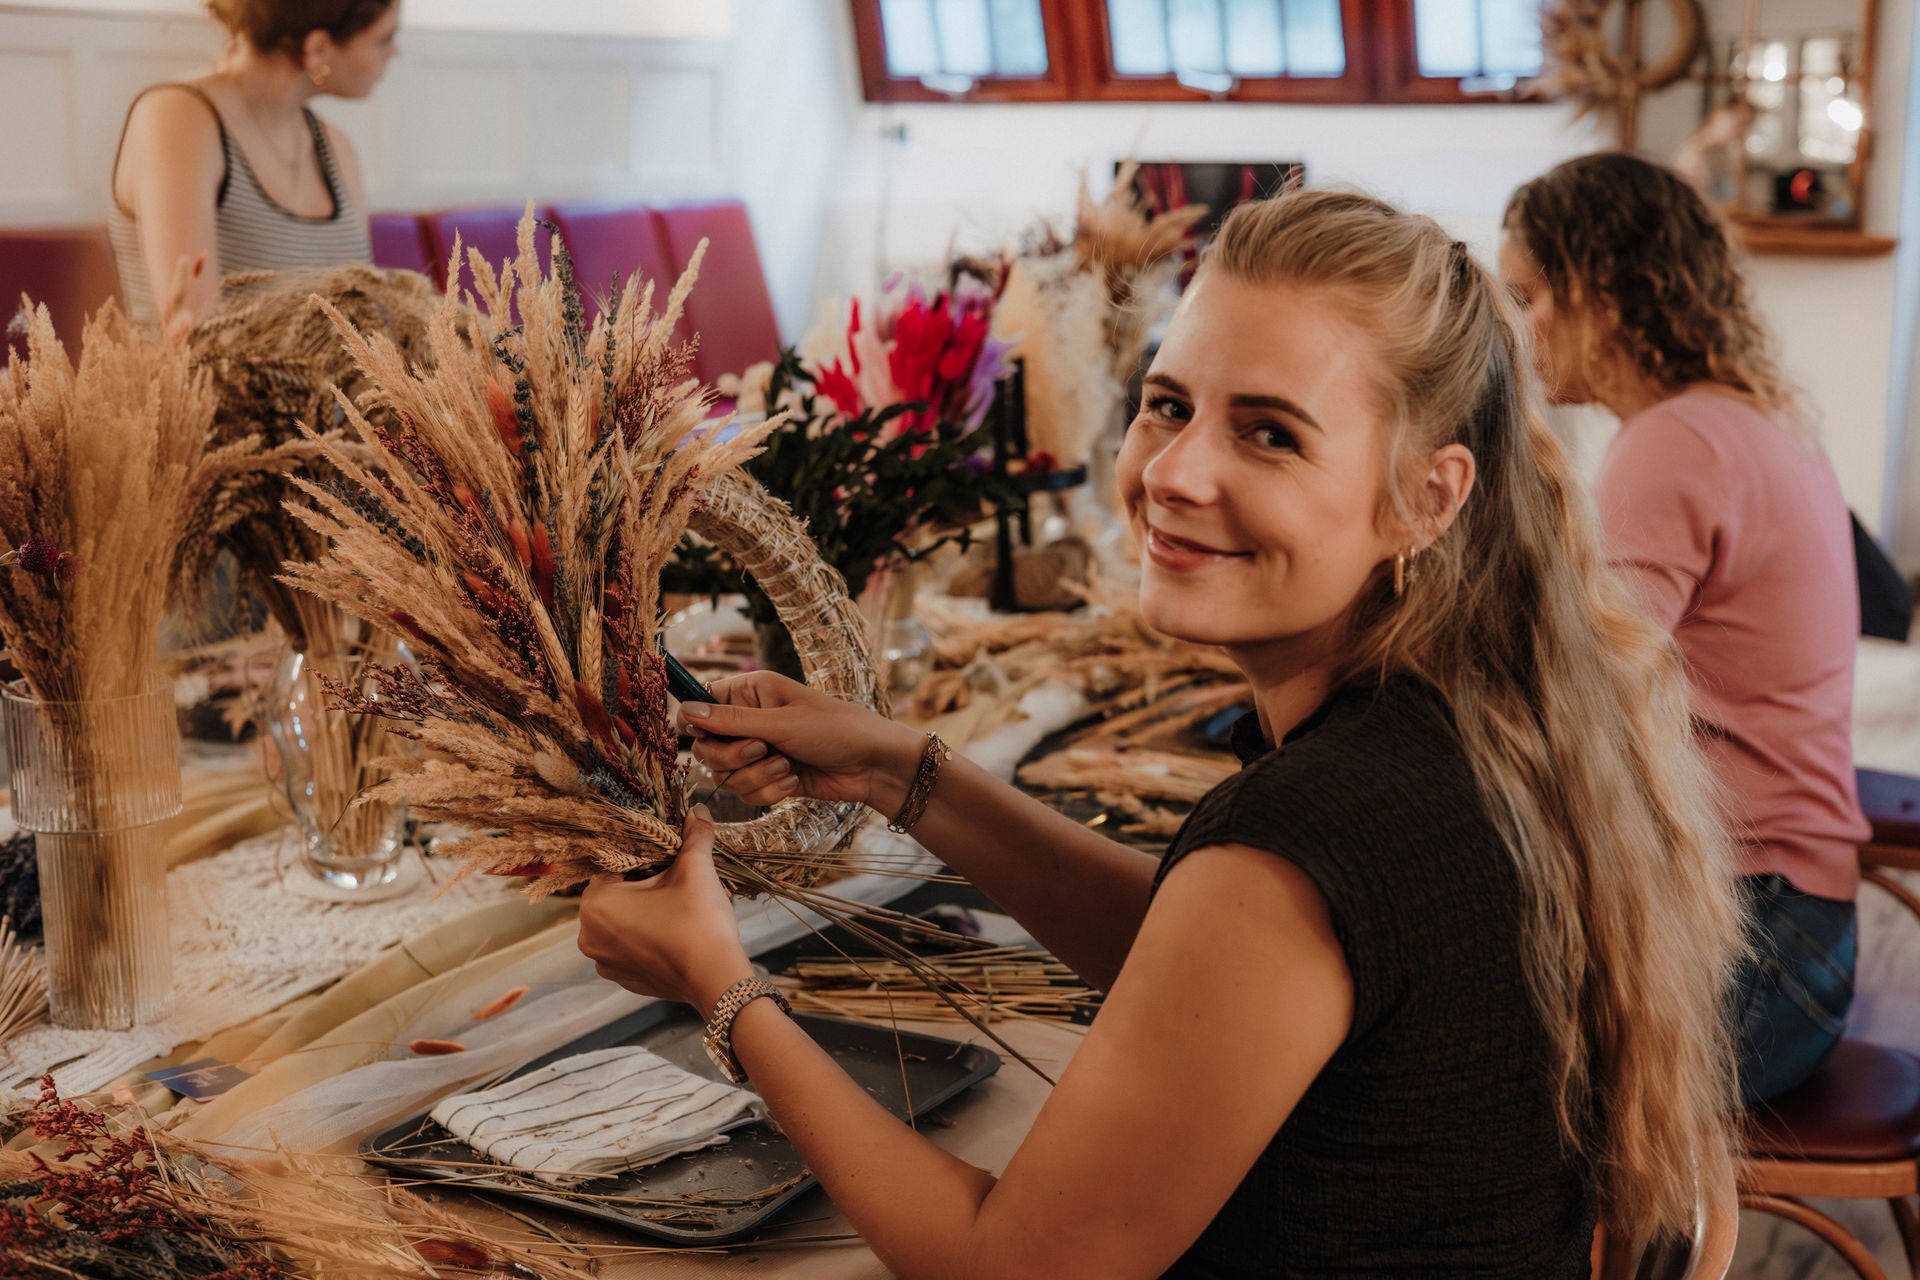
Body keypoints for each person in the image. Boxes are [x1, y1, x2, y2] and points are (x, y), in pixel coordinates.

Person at [579, 189, 1745, 1277]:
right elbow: (1202, 963)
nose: (1176, 474)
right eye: (1169, 405)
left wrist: (718, 981)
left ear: (1427, 497)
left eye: (1271, 434)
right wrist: (905, 772)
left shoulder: (1314, 825)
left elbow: (1009, 1261)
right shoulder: (1479, 725)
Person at [1501, 153, 1870, 1105]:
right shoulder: (1760, 417)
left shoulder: (1673, 442)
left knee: (1466, 1077)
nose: (1520, 328)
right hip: (1811, 925)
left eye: (1531, 297)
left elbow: (1576, 697)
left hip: (1761, 936)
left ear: (1604, 294)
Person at [109, 0, 399, 330]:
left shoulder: (337, 148)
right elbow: (198, 337)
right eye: (384, 39)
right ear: (319, 48)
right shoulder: (178, 116)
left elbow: (368, 326)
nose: (395, 52)